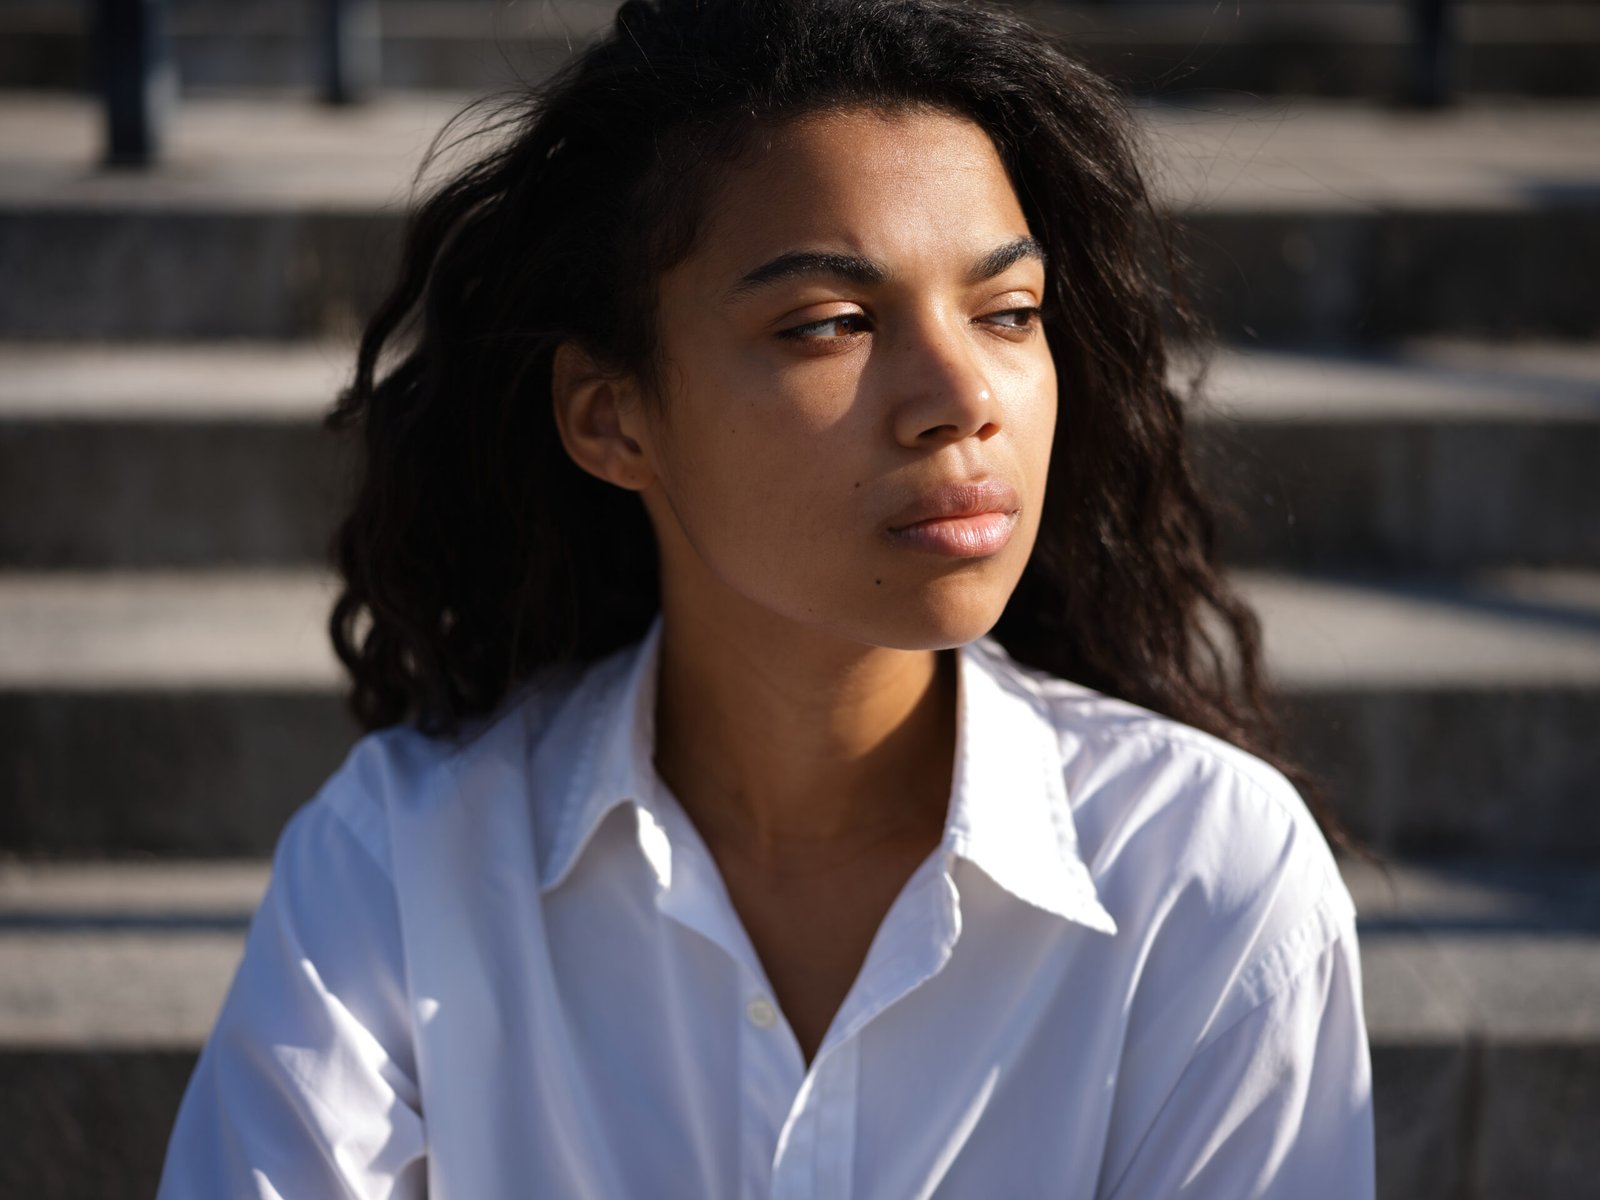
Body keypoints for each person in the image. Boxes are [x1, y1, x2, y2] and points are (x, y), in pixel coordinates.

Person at [157, 0, 1375, 1195]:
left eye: (1008, 312)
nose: (962, 393)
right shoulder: (398, 871)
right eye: (830, 323)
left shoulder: (1208, 878)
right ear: (611, 415)